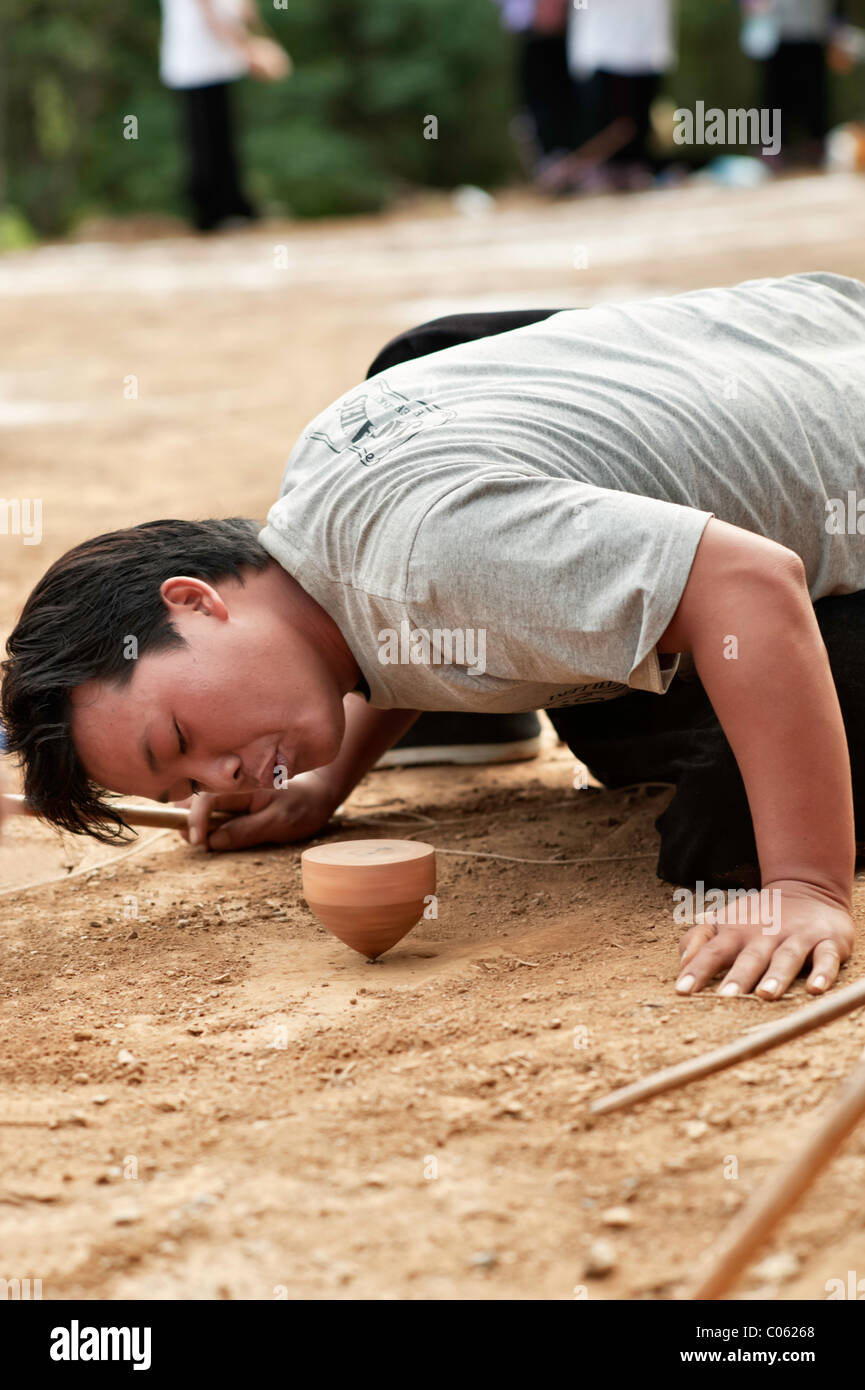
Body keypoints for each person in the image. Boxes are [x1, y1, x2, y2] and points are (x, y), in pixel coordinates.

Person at [4, 272, 865, 1004]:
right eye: (186, 780)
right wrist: (325, 782)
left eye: (183, 742)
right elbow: (389, 633)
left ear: (193, 602)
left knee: (724, 847)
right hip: (813, 324)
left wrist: (804, 884)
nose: (219, 779)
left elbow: (748, 585)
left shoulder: (439, 560)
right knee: (417, 363)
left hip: (816, 488)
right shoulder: (319, 495)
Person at [159, 0, 291, 232]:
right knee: (204, 140)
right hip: (195, 59)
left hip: (218, 59)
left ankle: (233, 205)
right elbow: (207, 9)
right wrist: (244, 46)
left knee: (222, 135)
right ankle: (210, 212)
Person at [566, 0, 674, 190]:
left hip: (646, 43)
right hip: (601, 46)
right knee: (605, 121)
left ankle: (631, 170)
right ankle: (600, 172)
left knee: (636, 124)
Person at [740, 1, 848, 166]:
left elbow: (838, 7)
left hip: (813, 31)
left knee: (814, 94)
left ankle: (815, 147)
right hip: (775, 33)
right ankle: (772, 149)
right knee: (775, 94)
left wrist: (838, 30)